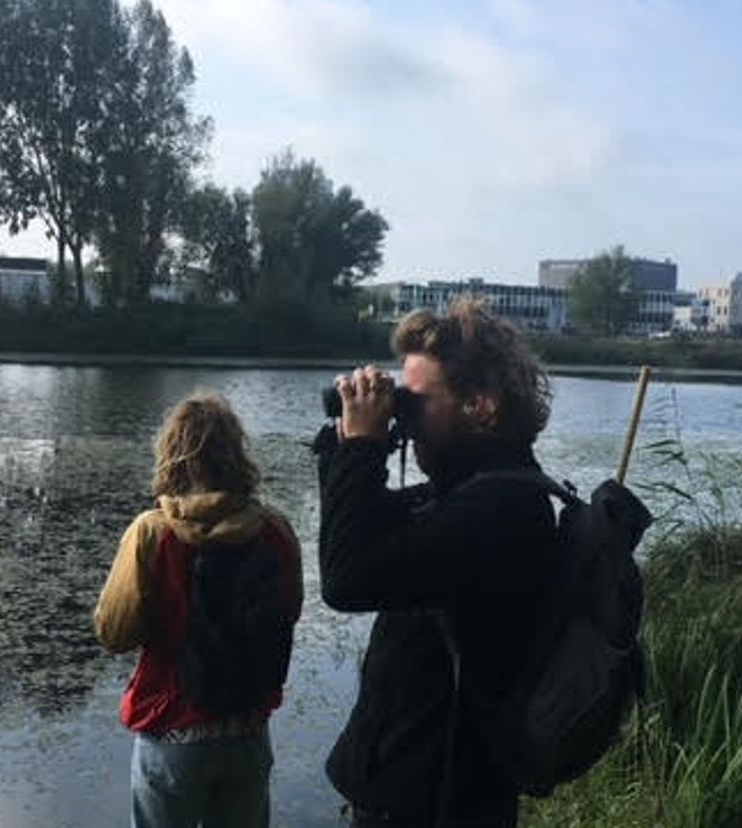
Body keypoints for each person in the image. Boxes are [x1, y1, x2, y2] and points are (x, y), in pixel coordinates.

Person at [318, 296, 561, 828]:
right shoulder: (475, 491)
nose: (404, 414)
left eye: (416, 400)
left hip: (435, 802)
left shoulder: (500, 510)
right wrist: (345, 444)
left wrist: (363, 451)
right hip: (424, 791)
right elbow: (365, 528)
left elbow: (346, 578)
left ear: (481, 404)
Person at [94, 391, 303, 828]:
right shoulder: (276, 531)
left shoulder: (151, 533)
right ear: (237, 456)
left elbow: (115, 633)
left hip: (172, 728)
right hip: (246, 730)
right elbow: (290, 612)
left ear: (172, 455)